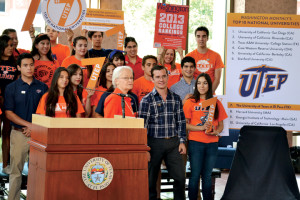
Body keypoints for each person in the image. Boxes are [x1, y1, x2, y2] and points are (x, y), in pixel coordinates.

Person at [139, 65, 186, 200]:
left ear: (167, 77)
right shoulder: (146, 100)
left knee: (180, 177)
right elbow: (143, 126)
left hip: (173, 143)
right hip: (154, 143)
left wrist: (182, 141)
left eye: (164, 76)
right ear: (152, 79)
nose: (161, 79)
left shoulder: (176, 98)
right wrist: (145, 148)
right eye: (158, 77)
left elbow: (181, 122)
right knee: (150, 180)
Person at [4, 53, 48, 200]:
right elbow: (9, 113)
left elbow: (46, 111)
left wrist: (34, 128)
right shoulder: (11, 88)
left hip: (40, 135)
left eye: (31, 65)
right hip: (19, 134)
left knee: (38, 171)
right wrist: (29, 125)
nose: (29, 68)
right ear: (18, 67)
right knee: (15, 171)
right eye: (25, 65)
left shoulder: (43, 87)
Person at [183, 73, 227, 200]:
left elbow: (221, 125)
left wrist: (216, 131)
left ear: (209, 85)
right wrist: (201, 128)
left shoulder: (215, 102)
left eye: (205, 83)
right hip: (195, 143)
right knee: (195, 175)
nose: (202, 86)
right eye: (199, 83)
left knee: (207, 176)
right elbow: (185, 125)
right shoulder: (191, 101)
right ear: (196, 86)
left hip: (212, 144)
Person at [186, 26, 224, 93]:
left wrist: (208, 94)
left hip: (210, 94)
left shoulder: (216, 56)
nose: (201, 39)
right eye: (198, 36)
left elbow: (217, 79)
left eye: (203, 36)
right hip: (194, 94)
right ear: (195, 38)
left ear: (207, 38)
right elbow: (186, 77)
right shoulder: (189, 56)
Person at [0, 34, 18, 173]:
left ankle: (6, 165)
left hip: (9, 102)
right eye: (7, 45)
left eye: (11, 45)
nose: (10, 48)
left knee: (7, 133)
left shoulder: (15, 63)